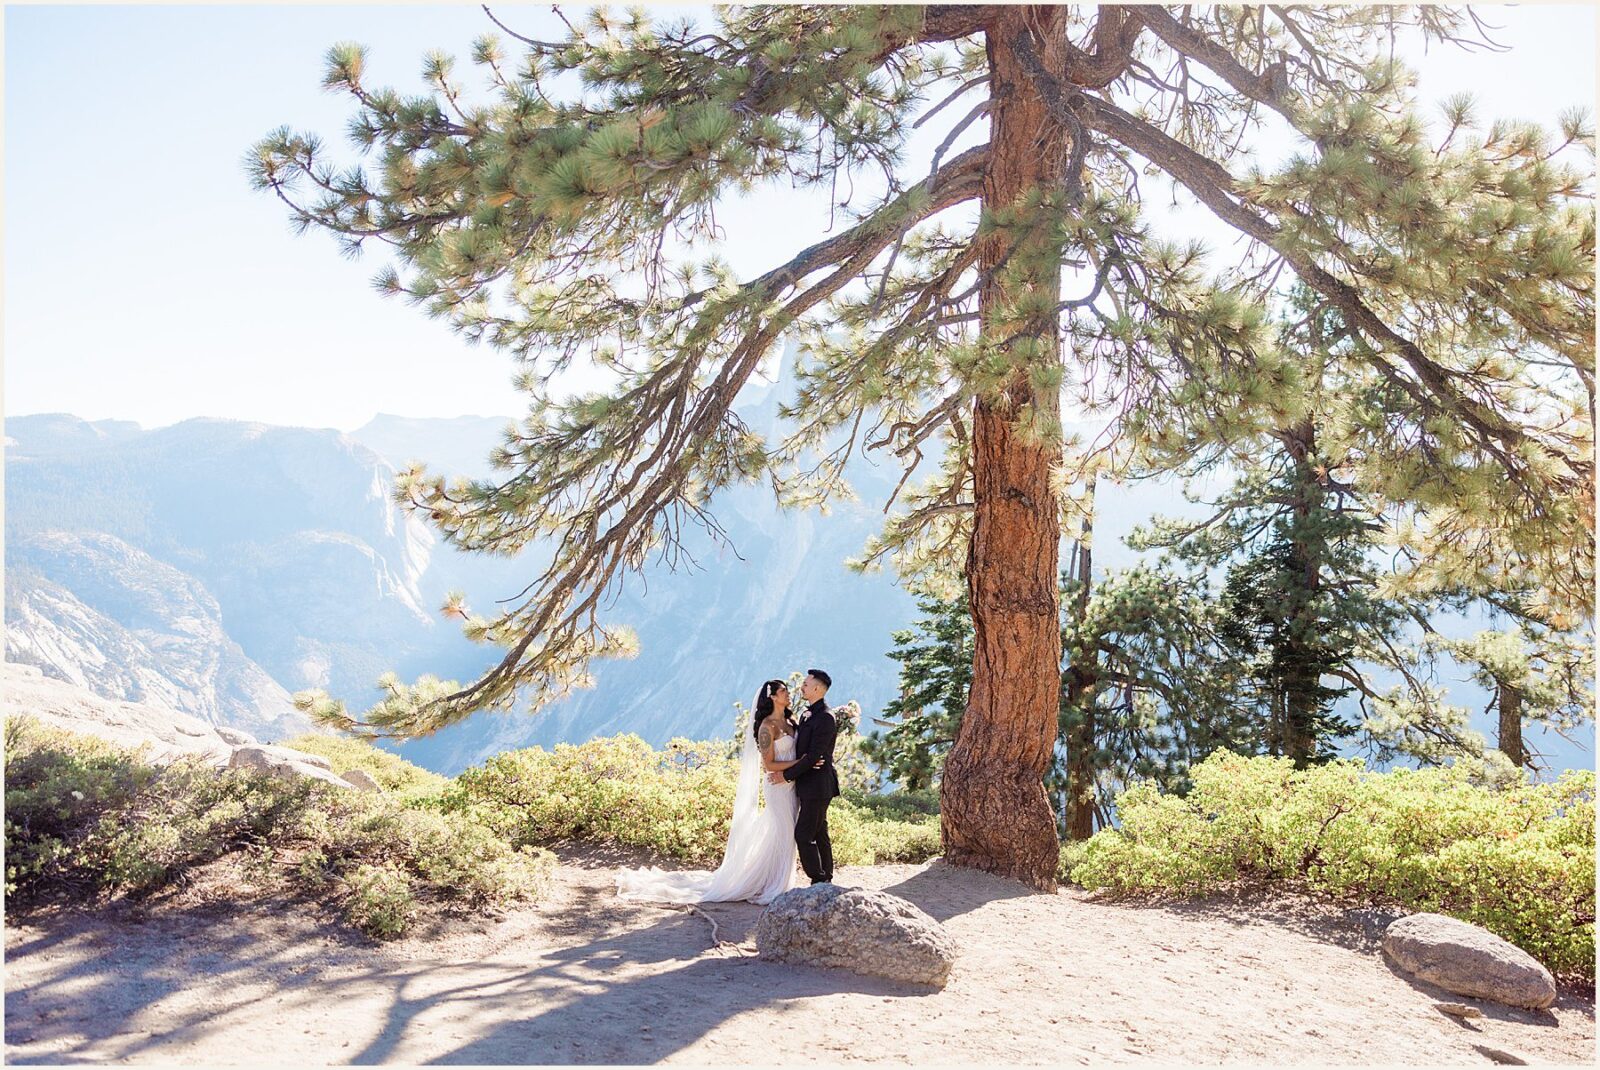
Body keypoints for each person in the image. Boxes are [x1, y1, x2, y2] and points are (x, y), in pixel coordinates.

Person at [616, 679, 806, 905]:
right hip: (777, 787)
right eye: (784, 691)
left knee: (784, 833)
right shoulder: (767, 727)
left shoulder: (789, 722)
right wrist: (800, 762)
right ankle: (777, 885)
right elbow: (769, 765)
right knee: (784, 831)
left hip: (792, 786)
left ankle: (772, 879)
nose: (789, 694)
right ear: (773, 696)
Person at [772, 668, 839, 885]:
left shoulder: (826, 717)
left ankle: (817, 878)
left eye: (806, 684)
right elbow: (806, 753)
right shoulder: (806, 713)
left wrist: (786, 775)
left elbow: (814, 755)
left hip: (819, 785)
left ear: (817, 688)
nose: (802, 687)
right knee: (819, 831)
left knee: (803, 834)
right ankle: (824, 877)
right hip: (808, 783)